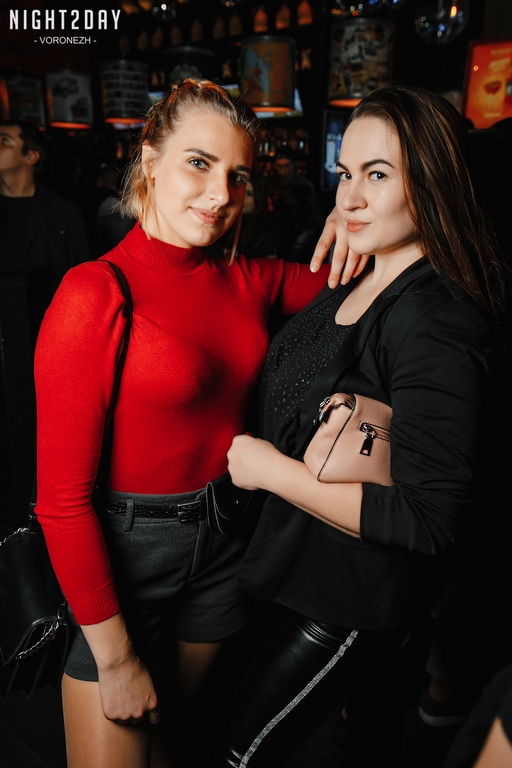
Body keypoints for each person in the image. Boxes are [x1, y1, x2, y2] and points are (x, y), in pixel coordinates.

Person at [33, 78, 353, 768]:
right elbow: (60, 502)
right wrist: (115, 659)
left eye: (238, 175)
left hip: (225, 544)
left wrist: (349, 218)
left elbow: (367, 282)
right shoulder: (95, 293)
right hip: (126, 557)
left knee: (179, 745)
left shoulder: (248, 278)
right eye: (199, 164)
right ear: (151, 161)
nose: (219, 194)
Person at [215, 83, 504, 767]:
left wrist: (273, 472)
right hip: (293, 565)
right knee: (361, 740)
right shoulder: (358, 273)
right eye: (345, 174)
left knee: (236, 754)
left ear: (429, 183)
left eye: (377, 175)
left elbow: (429, 520)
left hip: (347, 597)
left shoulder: (434, 321)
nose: (349, 198)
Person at [269, 144, 324, 264]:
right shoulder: (270, 184)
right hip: (277, 238)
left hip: (300, 239)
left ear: (293, 165)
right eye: (279, 166)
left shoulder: (304, 186)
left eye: (286, 166)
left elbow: (316, 218)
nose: (282, 170)